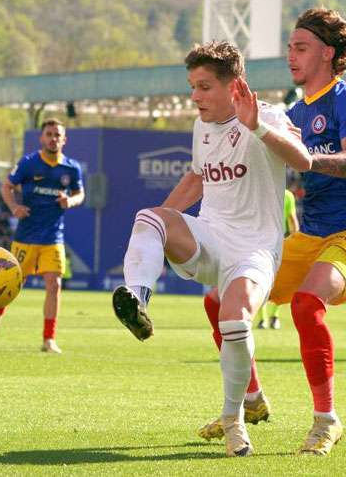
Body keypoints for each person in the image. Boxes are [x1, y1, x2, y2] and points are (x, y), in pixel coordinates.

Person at [111, 40, 311, 457]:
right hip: (211, 235)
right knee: (148, 217)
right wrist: (159, 233)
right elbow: (197, 178)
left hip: (255, 249)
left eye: (203, 87)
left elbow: (303, 160)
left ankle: (234, 419)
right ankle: (138, 299)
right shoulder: (202, 126)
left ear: (232, 85)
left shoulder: (269, 115)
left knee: (235, 322)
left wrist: (257, 126)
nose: (195, 97)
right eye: (192, 87)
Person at [201, 8, 346, 456]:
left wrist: (306, 158)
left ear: (327, 52)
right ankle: (252, 399)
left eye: (300, 48)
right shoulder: (293, 112)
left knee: (305, 304)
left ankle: (326, 420)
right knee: (217, 300)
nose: (290, 56)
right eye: (289, 48)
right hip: (309, 237)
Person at [0, 118, 85, 354]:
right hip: (26, 236)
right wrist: (14, 207)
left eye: (57, 135)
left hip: (53, 237)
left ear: (64, 140)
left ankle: (48, 339)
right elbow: (6, 186)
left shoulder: (71, 168)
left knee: (55, 284)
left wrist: (70, 201)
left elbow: (80, 193)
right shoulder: (28, 164)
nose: (53, 138)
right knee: (14, 285)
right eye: (49, 134)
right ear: (41, 138)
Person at [256, 188, 299, 330]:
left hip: (260, 241)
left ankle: (262, 320)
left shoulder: (262, 192)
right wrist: (297, 241)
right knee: (277, 280)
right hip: (278, 243)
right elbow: (292, 221)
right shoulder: (288, 196)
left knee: (259, 279)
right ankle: (274, 318)